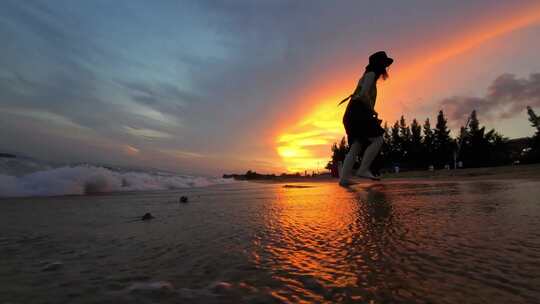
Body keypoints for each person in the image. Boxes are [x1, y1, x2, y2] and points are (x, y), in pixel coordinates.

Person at [339, 51, 393, 186]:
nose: (385, 69)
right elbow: (363, 95)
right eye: (384, 66)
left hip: (350, 113)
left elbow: (362, 93)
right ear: (379, 66)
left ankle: (344, 179)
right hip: (358, 111)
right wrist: (372, 110)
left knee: (356, 146)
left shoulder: (365, 76)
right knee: (378, 139)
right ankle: (363, 169)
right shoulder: (371, 75)